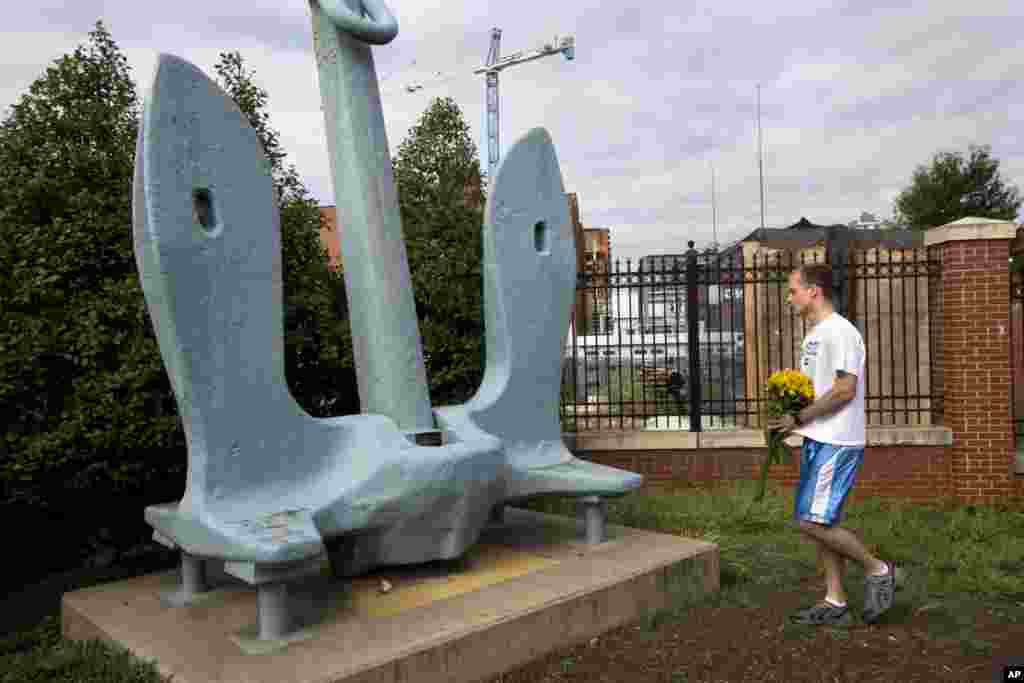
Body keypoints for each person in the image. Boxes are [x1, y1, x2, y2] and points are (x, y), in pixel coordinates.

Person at [768, 264, 896, 626]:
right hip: (819, 438)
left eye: (793, 290)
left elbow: (844, 389)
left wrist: (800, 418)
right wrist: (789, 415)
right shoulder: (816, 334)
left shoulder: (840, 332)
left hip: (837, 440)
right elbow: (818, 387)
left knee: (810, 521)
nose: (789, 297)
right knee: (825, 520)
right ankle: (835, 600)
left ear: (814, 291)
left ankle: (878, 569)